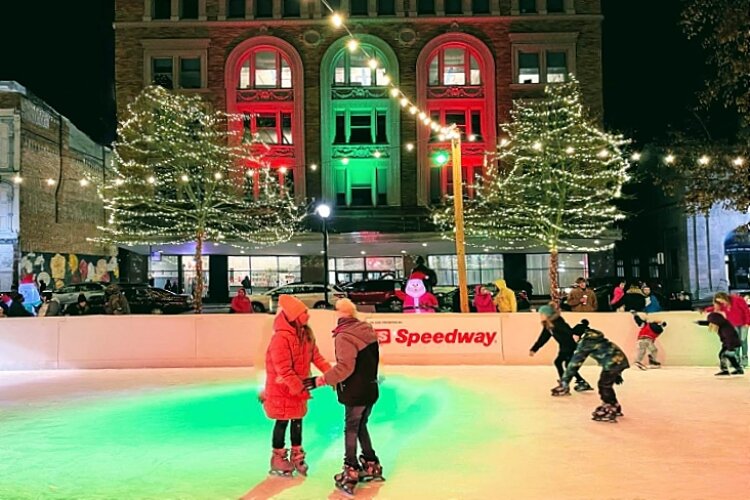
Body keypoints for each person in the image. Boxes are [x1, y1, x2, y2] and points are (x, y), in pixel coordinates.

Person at [309, 299, 383, 496]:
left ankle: (350, 470)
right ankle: (371, 464)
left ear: (338, 314)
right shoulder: (366, 330)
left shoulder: (344, 336)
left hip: (355, 391)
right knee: (360, 426)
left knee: (351, 428)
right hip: (370, 388)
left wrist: (321, 380)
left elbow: (345, 368)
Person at [261, 294, 331, 477]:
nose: (308, 316)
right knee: (282, 420)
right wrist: (299, 388)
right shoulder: (281, 339)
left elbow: (316, 357)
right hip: (282, 388)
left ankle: (297, 455)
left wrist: (331, 373)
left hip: (298, 386)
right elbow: (283, 370)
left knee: (297, 420)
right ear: (293, 316)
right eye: (304, 313)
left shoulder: (305, 333)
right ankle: (277, 457)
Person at [552, 322, 630, 423]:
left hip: (612, 363)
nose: (573, 339)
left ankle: (610, 406)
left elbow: (574, 363)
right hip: (618, 361)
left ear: (579, 335)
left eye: (574, 336)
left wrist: (565, 381)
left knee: (603, 385)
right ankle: (613, 404)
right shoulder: (595, 338)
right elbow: (612, 351)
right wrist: (618, 372)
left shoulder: (586, 343)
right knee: (606, 384)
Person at [529, 303, 593, 392]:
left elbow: (568, 331)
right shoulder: (549, 325)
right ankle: (579, 382)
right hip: (564, 347)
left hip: (569, 346)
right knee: (564, 364)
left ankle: (565, 385)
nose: (540, 316)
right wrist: (534, 349)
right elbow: (543, 338)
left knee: (562, 363)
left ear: (547, 315)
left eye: (542, 314)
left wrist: (577, 333)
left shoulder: (557, 322)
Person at [706, 291, 750, 368]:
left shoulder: (738, 300)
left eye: (721, 300)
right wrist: (706, 309)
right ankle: (736, 360)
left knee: (743, 341)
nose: (721, 303)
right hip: (733, 324)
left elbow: (746, 310)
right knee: (735, 342)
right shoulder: (722, 304)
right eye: (719, 302)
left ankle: (744, 360)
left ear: (723, 297)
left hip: (743, 324)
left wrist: (747, 322)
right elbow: (716, 308)